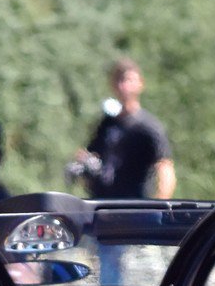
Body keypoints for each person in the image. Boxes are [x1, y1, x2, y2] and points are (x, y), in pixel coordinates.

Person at [73, 57, 174, 200]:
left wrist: (160, 208)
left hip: (133, 207)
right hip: (101, 204)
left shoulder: (149, 127)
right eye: (119, 80)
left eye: (129, 80)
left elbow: (165, 169)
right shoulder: (106, 123)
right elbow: (92, 156)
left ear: (140, 84)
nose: (124, 86)